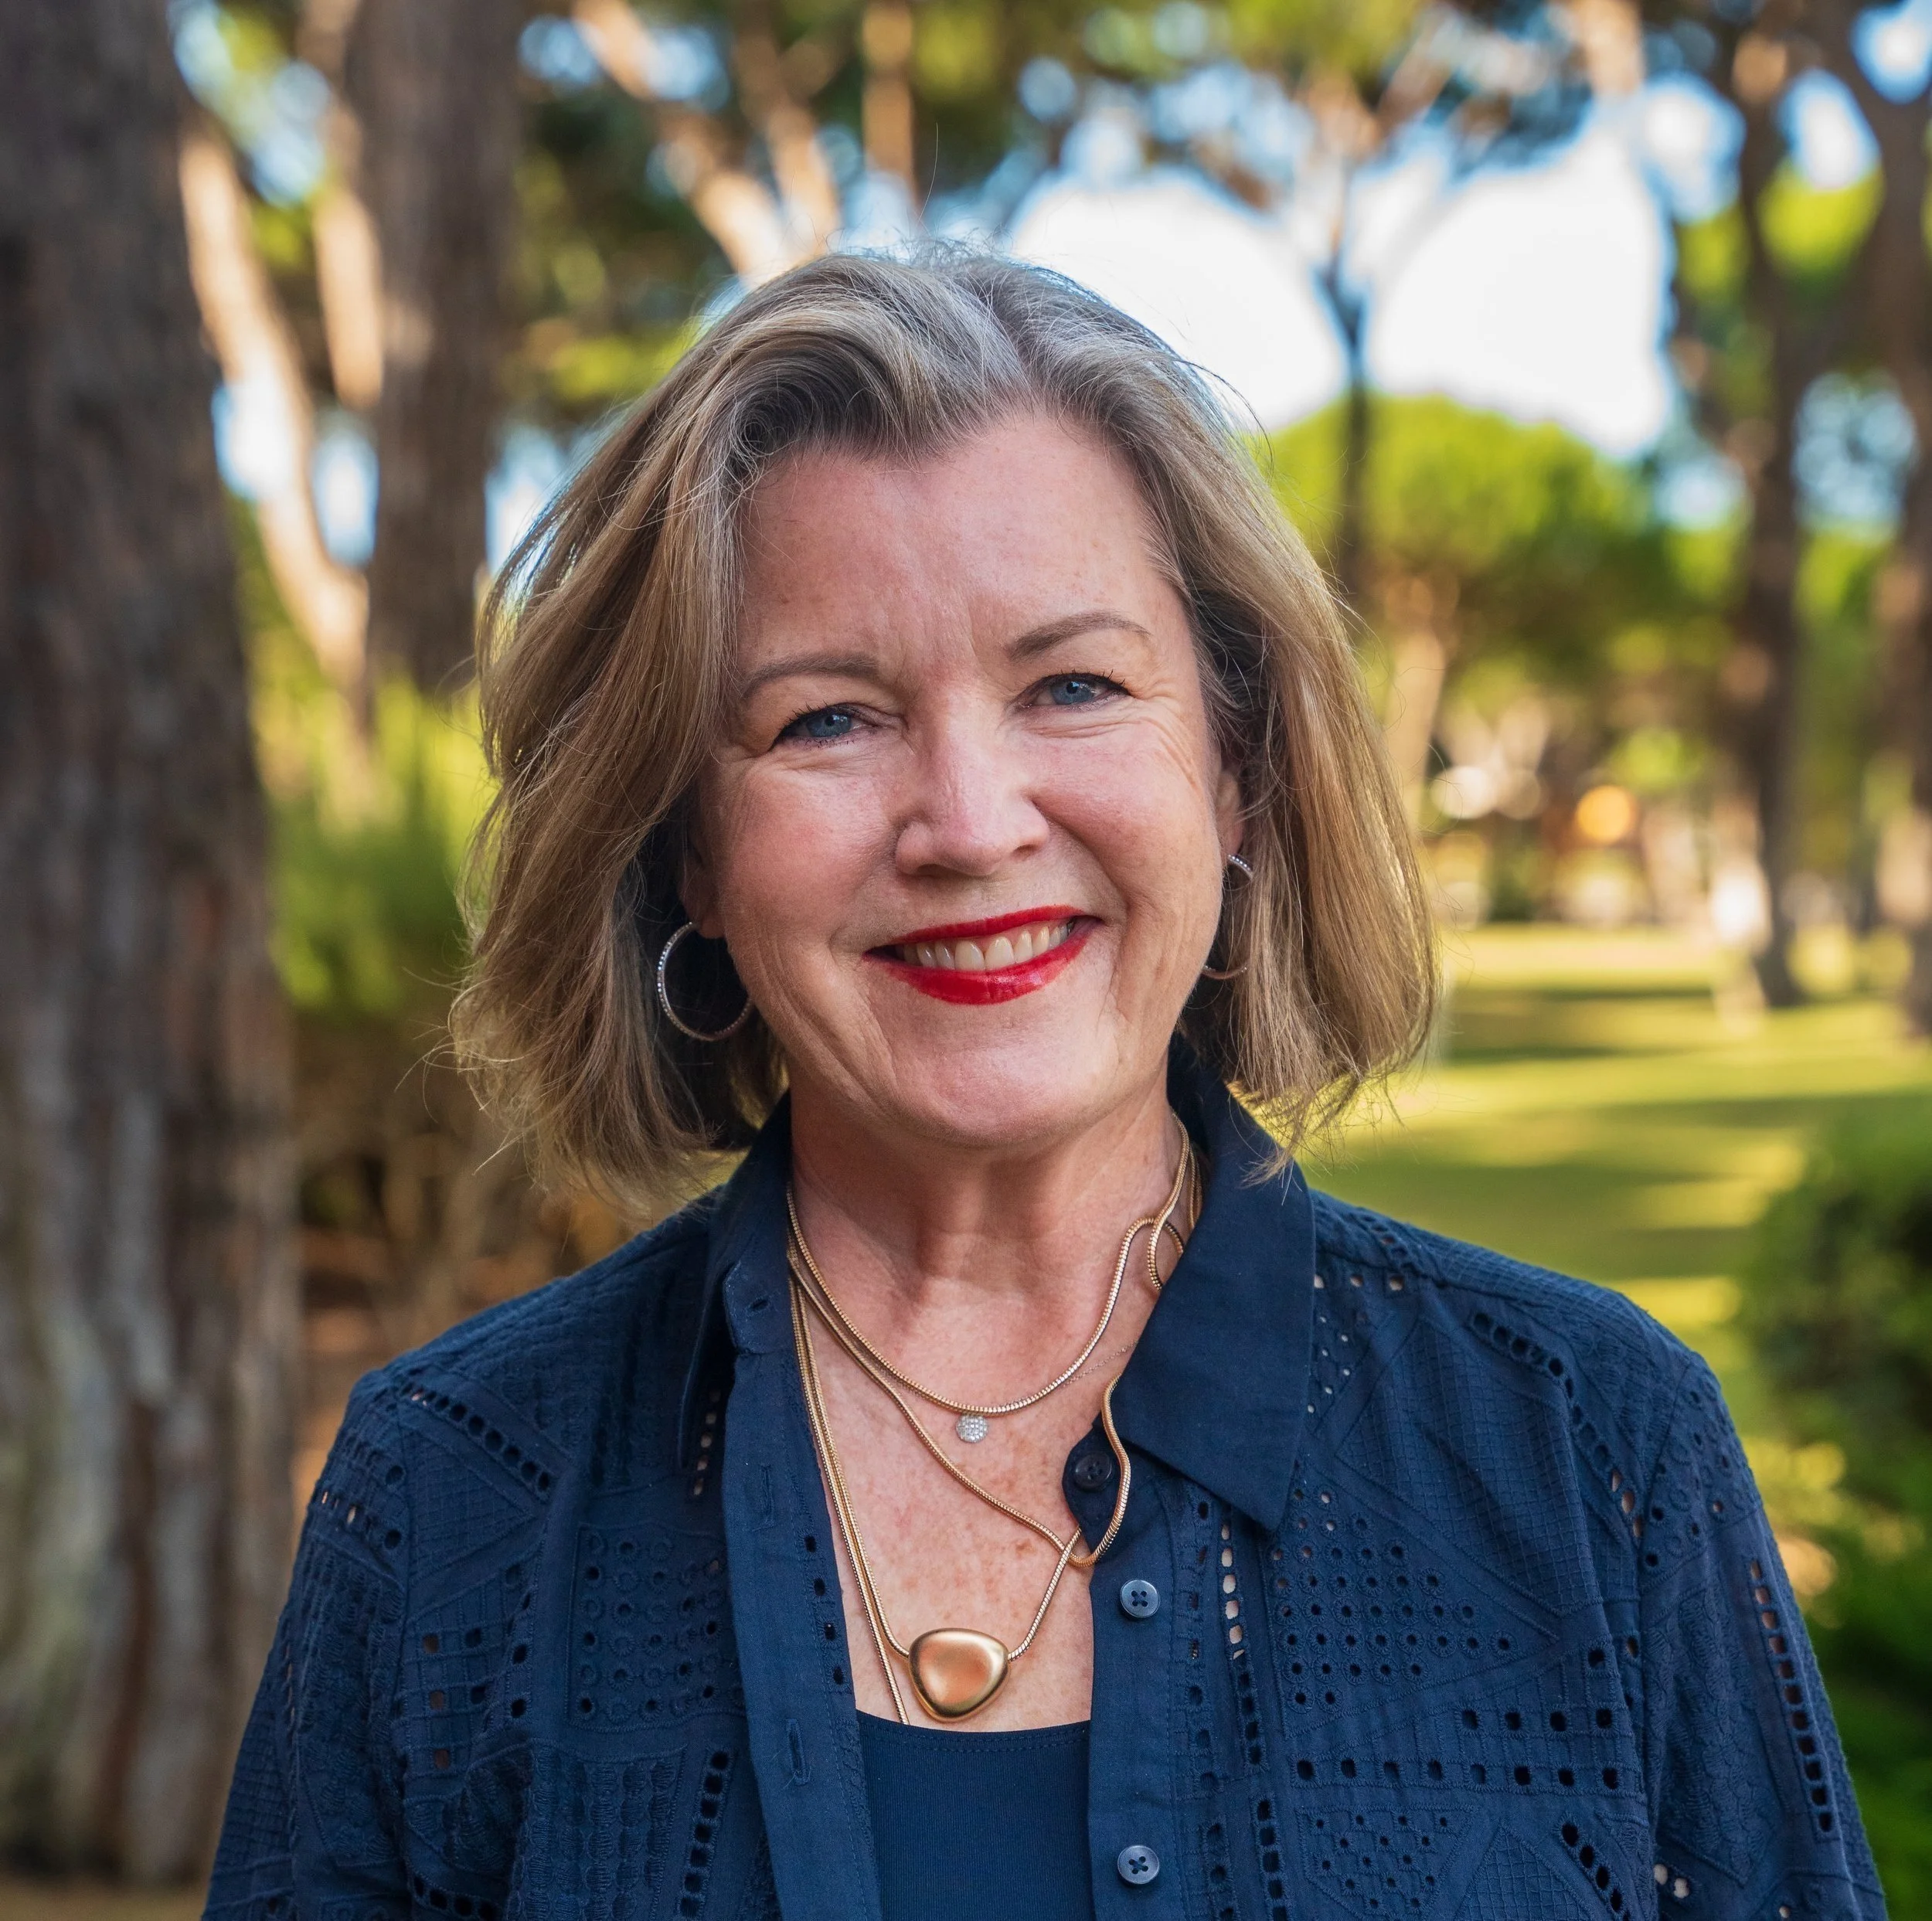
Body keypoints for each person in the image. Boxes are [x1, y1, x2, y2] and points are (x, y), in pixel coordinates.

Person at [205, 252, 1883, 1921]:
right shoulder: (448, 1496)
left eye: (1070, 686)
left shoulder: (1592, 1451)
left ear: (1234, 771)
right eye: (825, 719)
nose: (968, 819)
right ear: (685, 852)